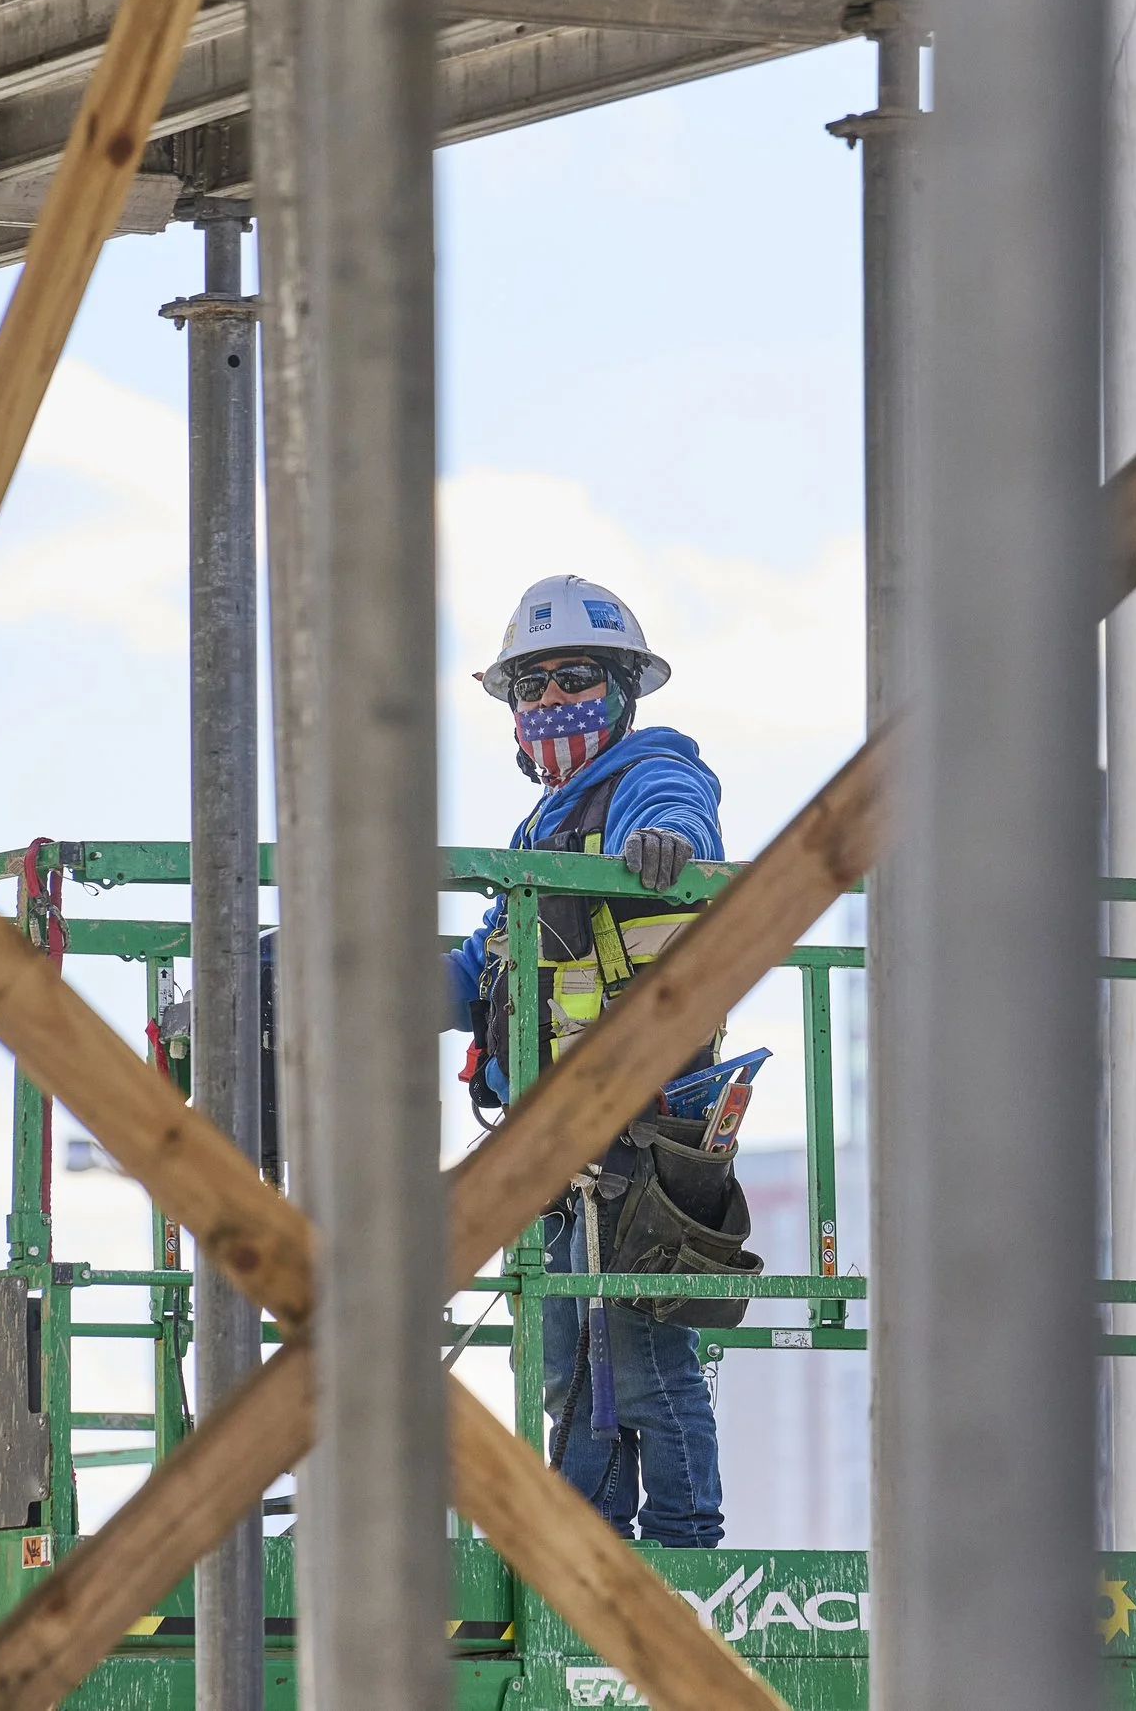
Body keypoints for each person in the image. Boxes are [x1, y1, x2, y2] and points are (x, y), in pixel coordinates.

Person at [444, 574, 736, 1548]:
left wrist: (668, 845)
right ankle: (587, 1554)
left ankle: (687, 1557)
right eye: (531, 686)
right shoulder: (539, 838)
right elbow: (478, 966)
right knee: (571, 1365)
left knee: (643, 1359)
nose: (550, 701)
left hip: (646, 1130)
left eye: (575, 678)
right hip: (565, 1149)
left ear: (623, 689)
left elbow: (682, 814)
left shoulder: (650, 775)